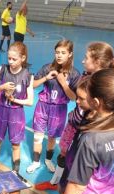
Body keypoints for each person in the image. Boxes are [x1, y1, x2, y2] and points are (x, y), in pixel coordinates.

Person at [35, 41, 114, 191]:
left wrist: (64, 84)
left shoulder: (104, 84)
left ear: (98, 62)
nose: (83, 61)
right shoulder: (86, 75)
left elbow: (86, 103)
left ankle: (74, 189)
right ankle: (56, 183)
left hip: (87, 128)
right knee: (63, 154)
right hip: (75, 123)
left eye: (86, 58)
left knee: (79, 161)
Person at [26, 40, 80, 174]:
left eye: (63, 53)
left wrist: (63, 82)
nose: (59, 55)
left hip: (59, 109)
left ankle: (48, 160)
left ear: (70, 54)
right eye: (57, 52)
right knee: (38, 135)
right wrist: (45, 78)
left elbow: (74, 97)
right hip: (43, 106)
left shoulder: (74, 74)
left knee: (52, 137)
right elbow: (32, 85)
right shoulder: (47, 68)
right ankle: (36, 162)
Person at [0, 42, 34, 175]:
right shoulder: (2, 70)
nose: (11, 61)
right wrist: (2, 87)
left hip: (16, 113)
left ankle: (15, 172)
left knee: (15, 145)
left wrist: (14, 100)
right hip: (0, 110)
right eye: (9, 58)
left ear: (23, 58)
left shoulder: (28, 76)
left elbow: (30, 101)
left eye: (14, 59)